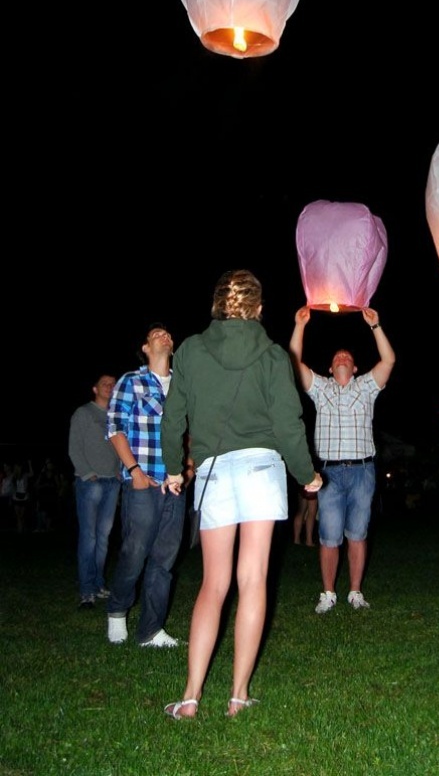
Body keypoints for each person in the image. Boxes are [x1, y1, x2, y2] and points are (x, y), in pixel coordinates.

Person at [161, 270, 322, 720]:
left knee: (213, 584)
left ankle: (190, 697)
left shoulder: (190, 351)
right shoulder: (273, 355)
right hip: (262, 470)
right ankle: (238, 695)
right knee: (253, 580)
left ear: (217, 305)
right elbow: (289, 424)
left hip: (214, 471)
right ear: (259, 309)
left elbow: (173, 419)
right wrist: (307, 474)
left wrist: (173, 468)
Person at [289, 305, 396, 614]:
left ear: (355, 367)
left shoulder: (367, 387)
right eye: (337, 356)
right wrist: (300, 325)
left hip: (363, 470)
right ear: (330, 367)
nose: (342, 358)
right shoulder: (320, 389)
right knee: (329, 537)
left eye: (347, 356)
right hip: (330, 475)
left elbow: (389, 360)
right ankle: (328, 593)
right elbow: (293, 361)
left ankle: (355, 592)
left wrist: (376, 326)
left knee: (358, 534)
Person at [106, 324, 186, 648]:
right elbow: (115, 428)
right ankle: (117, 609)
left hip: (174, 485)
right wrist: (134, 471)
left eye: (168, 334)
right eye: (156, 335)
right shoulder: (132, 381)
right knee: (135, 551)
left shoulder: (182, 385)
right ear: (145, 348)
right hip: (142, 481)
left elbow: (190, 431)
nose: (164, 336)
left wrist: (188, 467)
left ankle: (151, 630)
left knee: (164, 560)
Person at [68, 374, 121, 608]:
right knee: (89, 537)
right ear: (95, 388)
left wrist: (119, 471)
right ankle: (86, 589)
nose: (110, 386)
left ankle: (98, 584)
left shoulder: (115, 416)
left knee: (103, 538)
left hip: (112, 483)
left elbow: (120, 446)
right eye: (105, 383)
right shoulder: (84, 413)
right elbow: (74, 447)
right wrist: (88, 473)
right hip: (90, 482)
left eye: (113, 384)